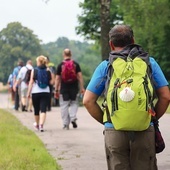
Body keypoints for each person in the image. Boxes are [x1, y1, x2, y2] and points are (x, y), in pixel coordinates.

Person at [83, 24, 170, 170]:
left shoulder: (106, 66)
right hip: (144, 128)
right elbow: (166, 97)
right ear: (133, 40)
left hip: (114, 129)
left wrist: (108, 120)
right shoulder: (150, 63)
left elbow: (87, 101)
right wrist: (149, 117)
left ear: (111, 44)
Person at [55, 48, 85, 130]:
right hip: (74, 87)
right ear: (70, 54)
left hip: (64, 88)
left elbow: (57, 79)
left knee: (64, 106)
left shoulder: (60, 65)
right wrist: (82, 88)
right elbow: (80, 77)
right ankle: (73, 117)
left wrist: (56, 90)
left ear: (63, 54)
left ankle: (65, 124)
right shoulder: (75, 64)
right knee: (74, 103)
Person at [27, 55, 53, 132]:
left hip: (35, 92)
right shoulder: (48, 70)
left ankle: (37, 125)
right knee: (43, 109)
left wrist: (28, 92)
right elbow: (51, 82)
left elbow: (31, 82)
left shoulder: (34, 70)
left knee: (36, 109)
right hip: (46, 92)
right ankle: (41, 125)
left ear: (38, 61)